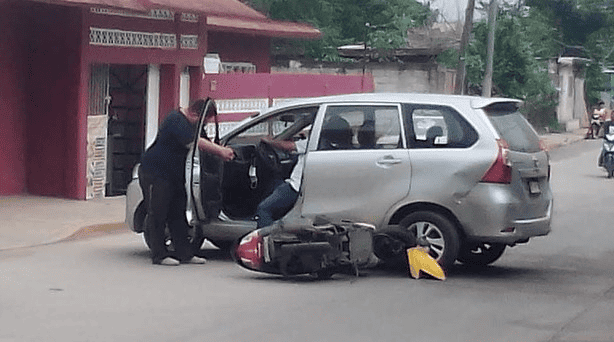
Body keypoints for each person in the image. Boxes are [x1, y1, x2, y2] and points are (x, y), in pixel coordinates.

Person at [138, 98, 235, 266]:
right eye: (202, 121)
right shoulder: (176, 120)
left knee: (178, 213)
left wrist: (221, 147)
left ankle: (185, 253)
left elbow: (204, 140)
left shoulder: (194, 123)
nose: (203, 125)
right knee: (158, 213)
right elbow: (196, 142)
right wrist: (220, 151)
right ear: (194, 113)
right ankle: (159, 255)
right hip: (155, 172)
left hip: (175, 174)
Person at [254, 136, 308, 228]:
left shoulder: (315, 141)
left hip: (296, 187)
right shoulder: (324, 142)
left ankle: (266, 238)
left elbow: (288, 146)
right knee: (273, 184)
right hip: (299, 185)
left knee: (263, 209)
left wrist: (269, 140)